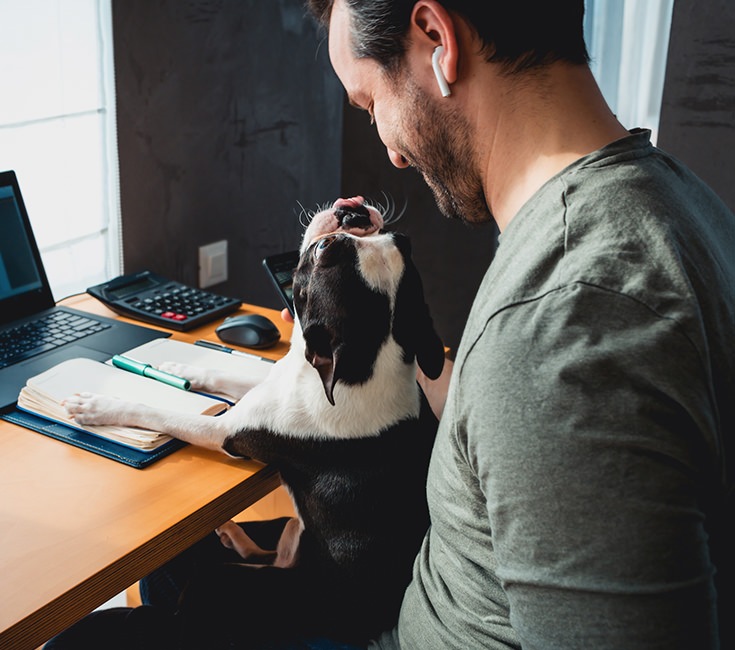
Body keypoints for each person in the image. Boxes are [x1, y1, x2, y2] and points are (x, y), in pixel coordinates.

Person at [46, 0, 734, 648]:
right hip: (405, 593)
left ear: (436, 38)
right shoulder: (674, 201)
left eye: (371, 103)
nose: (392, 152)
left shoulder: (567, 315)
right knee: (173, 568)